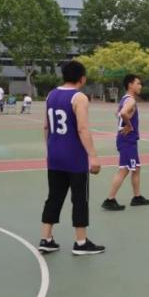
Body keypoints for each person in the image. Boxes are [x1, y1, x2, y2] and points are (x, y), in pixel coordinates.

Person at [37, 61, 106, 256]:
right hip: (74, 156)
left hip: (54, 154)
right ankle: (81, 242)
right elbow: (82, 128)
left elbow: (46, 126)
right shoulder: (79, 97)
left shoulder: (51, 95)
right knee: (79, 199)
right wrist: (93, 156)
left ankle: (46, 239)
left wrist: (50, 148)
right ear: (82, 78)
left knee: (54, 196)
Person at [102, 75, 149, 211]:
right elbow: (123, 113)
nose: (140, 86)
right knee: (124, 169)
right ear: (130, 85)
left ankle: (137, 197)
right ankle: (109, 200)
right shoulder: (131, 100)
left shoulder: (124, 99)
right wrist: (129, 125)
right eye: (138, 83)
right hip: (127, 140)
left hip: (127, 139)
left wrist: (124, 119)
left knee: (136, 168)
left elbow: (118, 113)